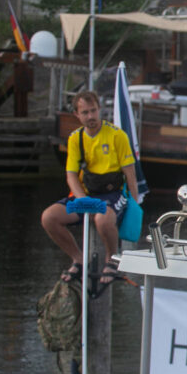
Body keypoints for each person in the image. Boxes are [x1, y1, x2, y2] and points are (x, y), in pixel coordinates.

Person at [41, 91, 139, 288]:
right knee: (49, 217)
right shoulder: (75, 138)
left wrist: (134, 207)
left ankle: (111, 259)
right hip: (86, 195)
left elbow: (130, 174)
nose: (91, 116)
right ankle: (78, 259)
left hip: (113, 194)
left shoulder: (117, 135)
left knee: (102, 219)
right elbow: (71, 175)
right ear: (77, 115)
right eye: (85, 112)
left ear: (100, 109)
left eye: (93, 111)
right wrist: (82, 199)